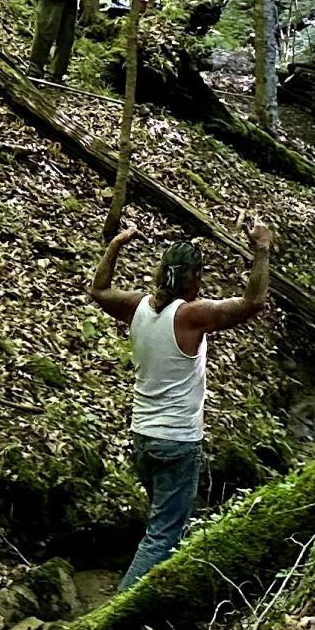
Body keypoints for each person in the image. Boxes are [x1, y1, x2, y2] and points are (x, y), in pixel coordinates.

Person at [87, 218, 272, 588]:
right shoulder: (189, 316)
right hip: (176, 441)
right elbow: (253, 301)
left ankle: (158, 596)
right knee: (163, 535)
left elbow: (98, 290)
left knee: (163, 524)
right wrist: (262, 249)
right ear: (194, 278)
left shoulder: (137, 308)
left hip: (143, 437)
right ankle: (117, 617)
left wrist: (117, 245)